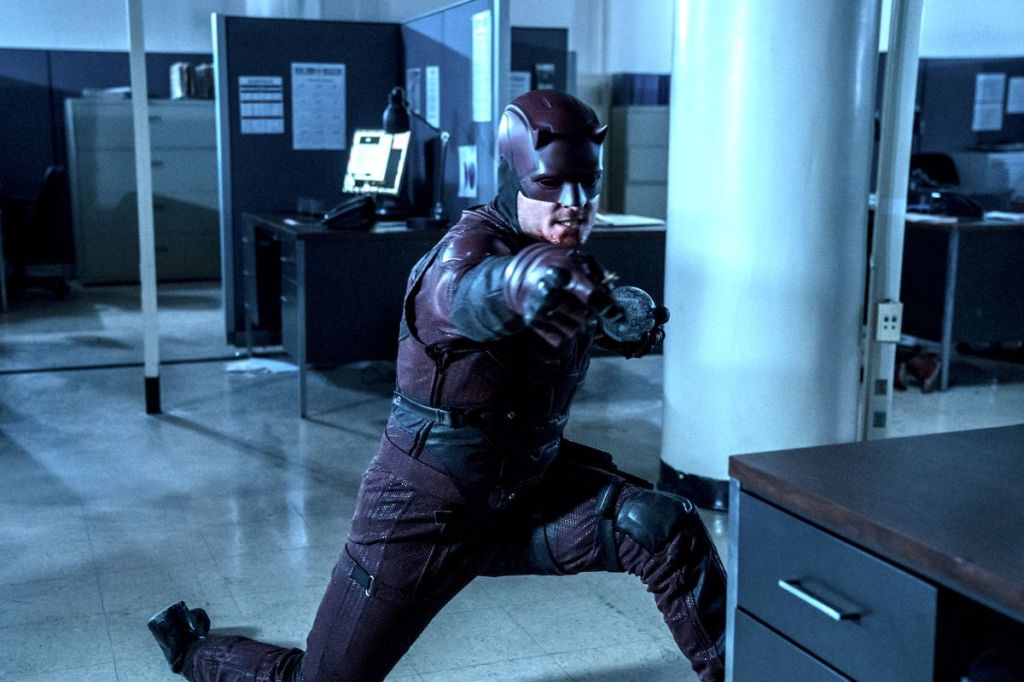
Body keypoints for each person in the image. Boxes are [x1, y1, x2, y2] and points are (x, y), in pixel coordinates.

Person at [148, 90, 726, 682]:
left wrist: (614, 314)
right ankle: (192, 650)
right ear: (515, 179)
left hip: (527, 492)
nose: (574, 204)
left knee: (660, 528)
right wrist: (522, 281)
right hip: (427, 509)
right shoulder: (464, 256)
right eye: (552, 184)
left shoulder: (555, 250)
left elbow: (559, 318)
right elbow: (470, 298)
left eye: (588, 184)